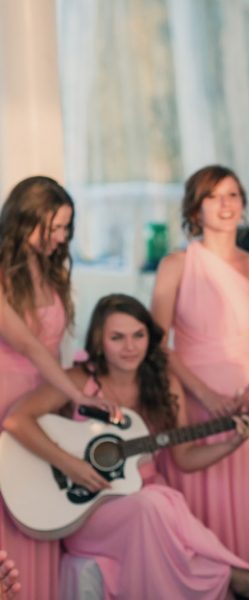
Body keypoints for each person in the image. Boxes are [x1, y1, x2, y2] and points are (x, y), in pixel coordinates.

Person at [3, 294, 249, 600]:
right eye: (117, 337)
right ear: (99, 340)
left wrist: (235, 441)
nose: (130, 347)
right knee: (154, 504)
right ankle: (236, 580)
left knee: (155, 503)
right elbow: (16, 421)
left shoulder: (164, 384)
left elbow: (185, 458)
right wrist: (71, 465)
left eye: (138, 335)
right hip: (87, 510)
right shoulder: (79, 381)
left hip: (149, 503)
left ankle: (230, 581)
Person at [151, 165, 249, 570]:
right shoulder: (175, 264)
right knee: (199, 509)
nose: (225, 204)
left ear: (243, 204)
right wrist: (203, 394)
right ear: (195, 208)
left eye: (233, 195)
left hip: (244, 402)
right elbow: (156, 344)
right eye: (213, 196)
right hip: (189, 399)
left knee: (248, 505)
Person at [0, 176, 111, 600]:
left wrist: (68, 398)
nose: (61, 237)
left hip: (46, 398)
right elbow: (29, 345)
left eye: (66, 227)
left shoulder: (52, 270)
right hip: (8, 396)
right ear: (24, 218)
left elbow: (55, 346)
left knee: (42, 504)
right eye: (54, 227)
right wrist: (77, 393)